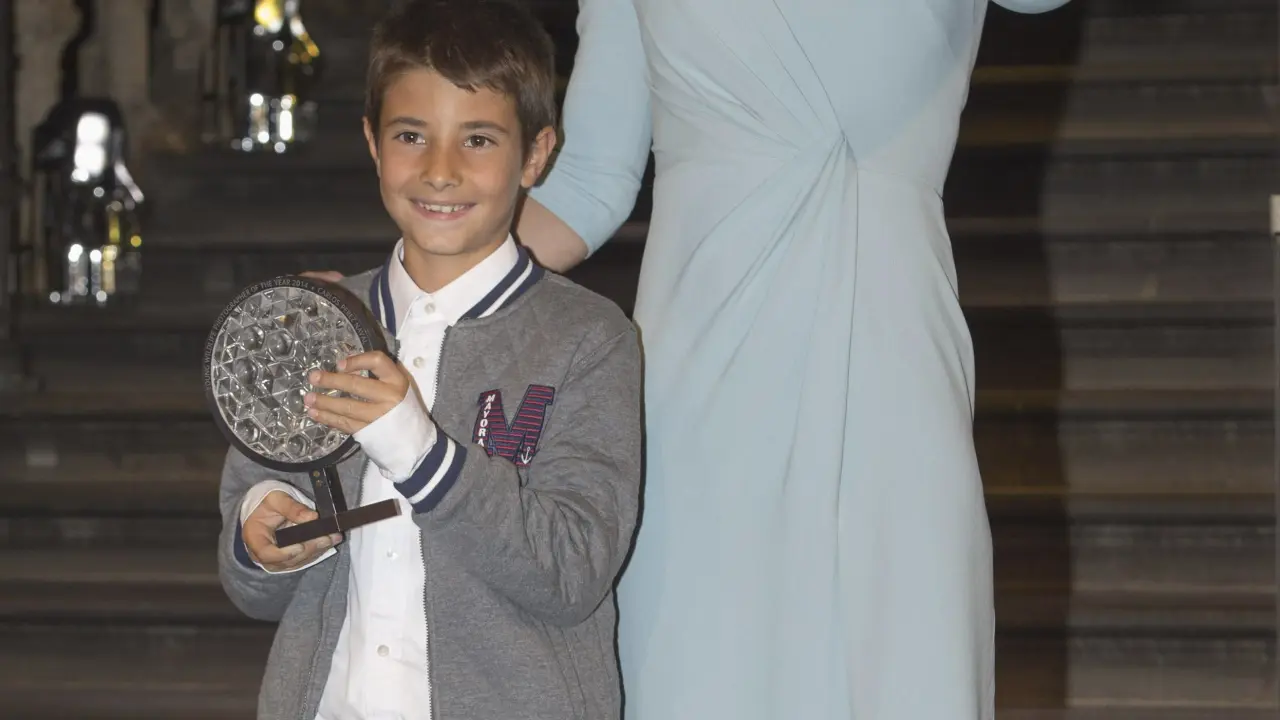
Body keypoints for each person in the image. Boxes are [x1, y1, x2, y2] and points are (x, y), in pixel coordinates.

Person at [308, 0, 1075, 718]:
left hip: (892, 357)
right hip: (699, 382)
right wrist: (396, 303)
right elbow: (590, 181)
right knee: (702, 661)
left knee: (900, 650)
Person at [216, 2, 643, 719]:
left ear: (535, 154)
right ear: (373, 143)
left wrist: (420, 452)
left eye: (478, 139)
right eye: (411, 136)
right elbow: (251, 586)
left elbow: (572, 574)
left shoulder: (589, 340)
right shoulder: (311, 323)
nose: (440, 171)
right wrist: (261, 538)